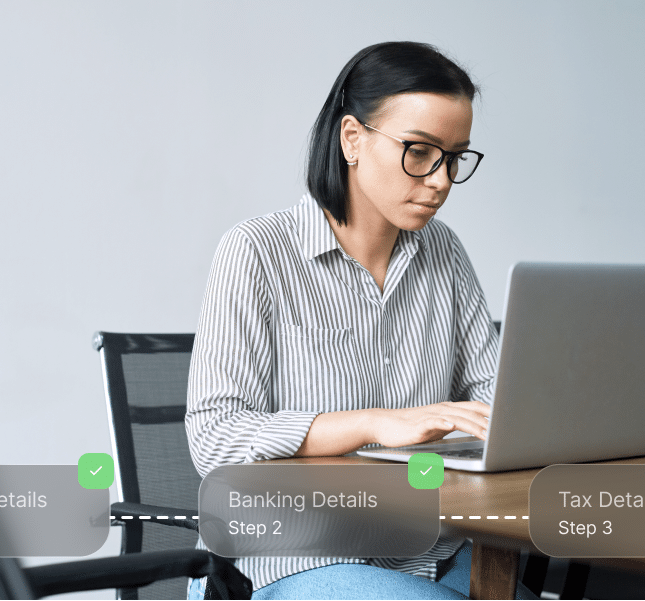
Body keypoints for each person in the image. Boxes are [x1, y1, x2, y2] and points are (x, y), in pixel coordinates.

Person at [186, 41, 531, 600]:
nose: (441, 179)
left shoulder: (443, 251)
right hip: (301, 557)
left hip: (434, 547)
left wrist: (537, 415)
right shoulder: (257, 251)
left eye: (456, 156)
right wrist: (375, 423)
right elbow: (216, 438)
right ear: (352, 138)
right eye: (420, 151)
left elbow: (492, 394)